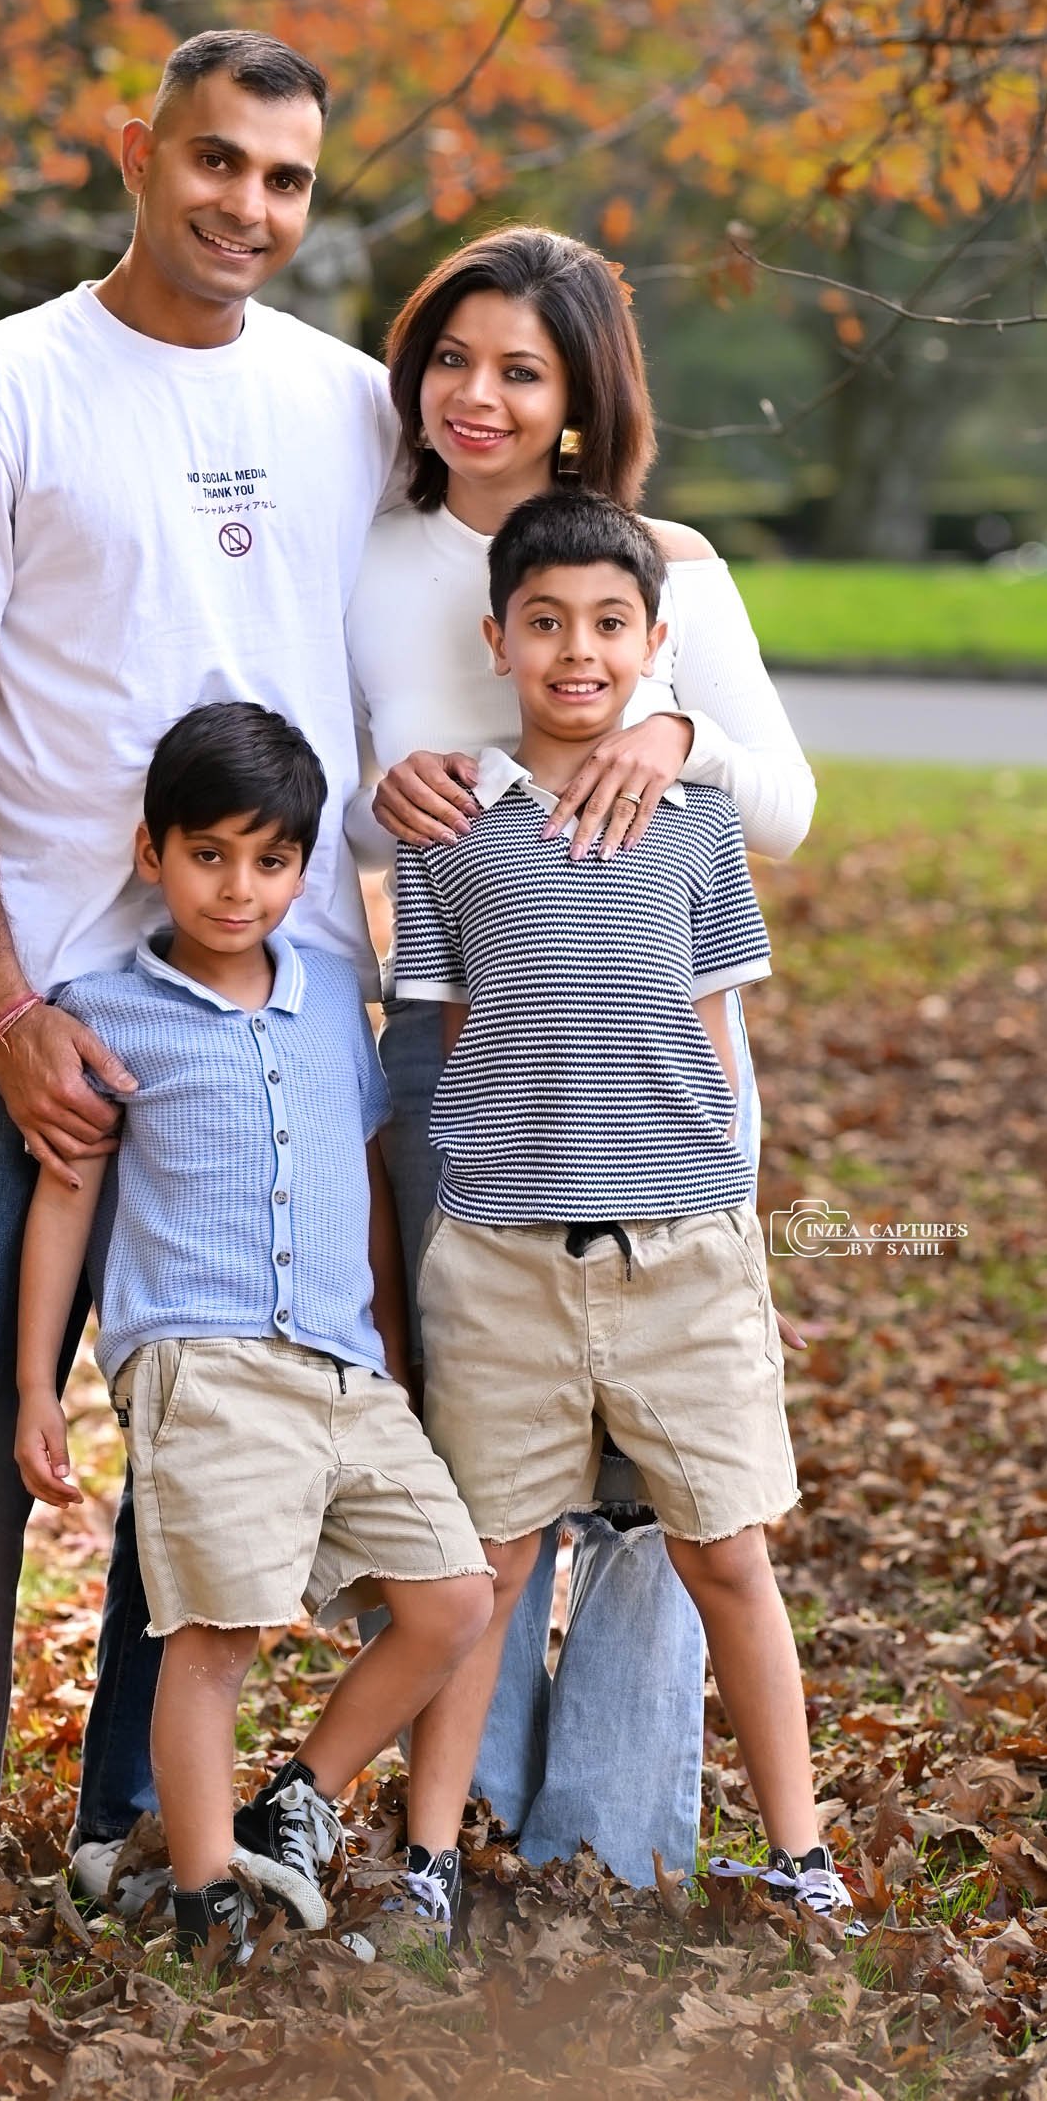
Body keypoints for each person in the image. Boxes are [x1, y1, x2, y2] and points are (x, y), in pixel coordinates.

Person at [0, 29, 403, 1900]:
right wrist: (1, 1006)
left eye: (287, 179)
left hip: (277, 1012)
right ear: (135, 151)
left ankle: (154, 1830)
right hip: (46, 1007)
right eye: (217, 162)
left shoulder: (355, 405)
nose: (248, 206)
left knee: (214, 1452)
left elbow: (507, 581)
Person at [344, 225, 816, 1885]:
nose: (475, 394)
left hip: (663, 1081)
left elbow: (782, 801)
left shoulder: (664, 571)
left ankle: (618, 1824)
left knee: (673, 1483)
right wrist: (375, 804)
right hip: (468, 1051)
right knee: (497, 1458)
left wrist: (671, 724)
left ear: (575, 400)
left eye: (518, 369)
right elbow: (330, 795)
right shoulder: (377, 555)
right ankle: (457, 1816)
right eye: (450, 358)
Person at [392, 488, 856, 1929]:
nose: (574, 652)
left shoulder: (697, 825)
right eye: (542, 623)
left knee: (723, 1551)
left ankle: (797, 1852)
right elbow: (449, 1032)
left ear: (653, 644)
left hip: (682, 1257)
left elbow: (716, 1030)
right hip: (502, 1261)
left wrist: (705, 1194)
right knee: (486, 1565)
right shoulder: (449, 829)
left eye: (605, 625)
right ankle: (417, 1862)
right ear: (496, 638)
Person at [13, 701, 492, 1958]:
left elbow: (370, 1172)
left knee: (453, 1596)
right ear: (151, 853)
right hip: (203, 1363)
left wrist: (390, 1343)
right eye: (209, 854)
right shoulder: (105, 1008)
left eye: (271, 860)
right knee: (215, 1637)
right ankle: (202, 1890)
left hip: (344, 1364)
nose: (240, 887)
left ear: (306, 866)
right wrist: (35, 1387)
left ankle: (302, 1795)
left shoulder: (338, 995)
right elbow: (66, 1202)